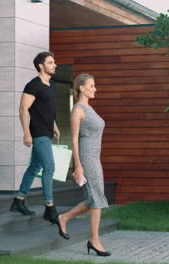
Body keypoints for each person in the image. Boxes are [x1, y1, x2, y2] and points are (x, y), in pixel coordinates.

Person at [9, 51, 68, 239]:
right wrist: (26, 132)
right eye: (51, 62)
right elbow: (23, 108)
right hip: (37, 133)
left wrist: (55, 125)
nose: (55, 65)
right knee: (49, 167)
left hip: (46, 131)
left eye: (54, 61)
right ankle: (49, 207)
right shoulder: (33, 85)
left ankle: (19, 199)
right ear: (41, 66)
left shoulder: (50, 85)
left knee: (34, 167)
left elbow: (47, 109)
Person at [58, 73, 112, 256]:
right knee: (96, 198)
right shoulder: (78, 110)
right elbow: (74, 140)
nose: (95, 88)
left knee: (95, 198)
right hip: (87, 159)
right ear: (81, 87)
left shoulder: (90, 109)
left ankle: (64, 218)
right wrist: (77, 165)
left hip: (95, 158)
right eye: (91, 85)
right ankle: (94, 240)